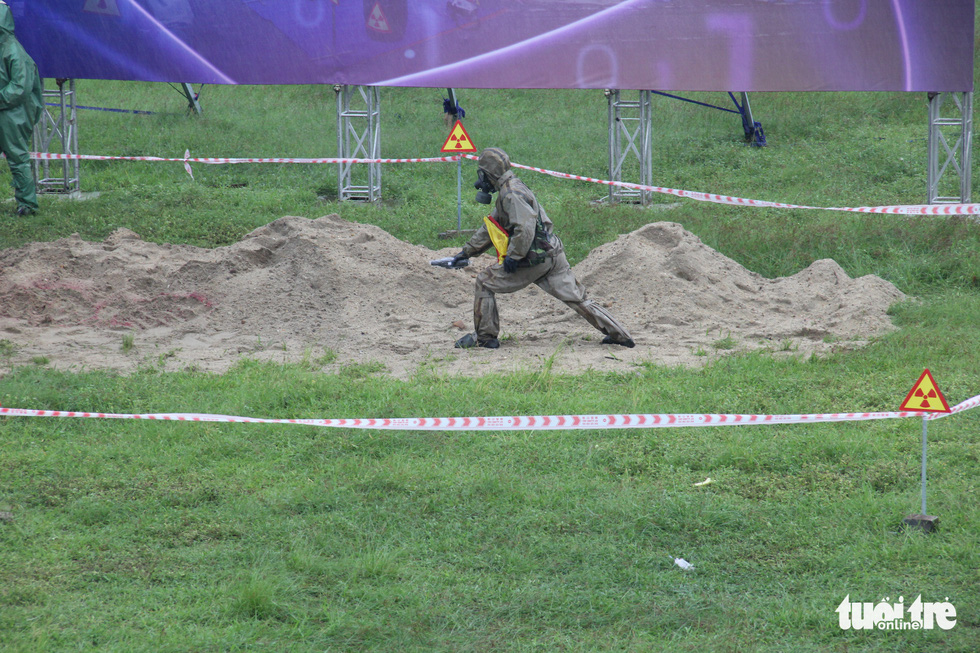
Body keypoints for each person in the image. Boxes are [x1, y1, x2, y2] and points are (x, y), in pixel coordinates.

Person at [452, 147, 635, 350]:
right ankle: (620, 335)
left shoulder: (510, 194)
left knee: (484, 282)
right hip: (552, 253)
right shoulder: (514, 187)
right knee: (578, 299)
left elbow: (525, 225)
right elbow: (493, 226)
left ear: (489, 173)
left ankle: (485, 338)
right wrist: (466, 252)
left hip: (533, 259)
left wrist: (513, 256)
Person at [0, 1, 42, 216]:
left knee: (17, 157)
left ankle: (27, 204)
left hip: (13, 114)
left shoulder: (13, 50)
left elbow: (20, 87)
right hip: (5, 110)